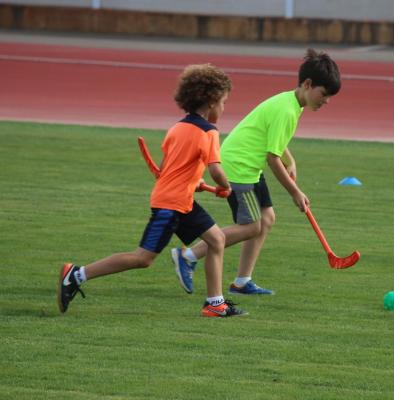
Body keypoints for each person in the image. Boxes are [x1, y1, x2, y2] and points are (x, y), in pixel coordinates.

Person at [57, 64, 246, 318]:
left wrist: (197, 184)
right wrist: (225, 186)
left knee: (217, 239)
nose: (224, 108)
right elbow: (215, 170)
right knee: (143, 258)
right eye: (223, 102)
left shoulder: (177, 128)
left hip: (180, 199)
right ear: (211, 102)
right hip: (171, 204)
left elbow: (173, 169)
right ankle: (76, 274)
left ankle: (215, 303)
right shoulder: (209, 132)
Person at [172, 49, 341, 295]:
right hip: (239, 168)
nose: (326, 101)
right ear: (307, 84)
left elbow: (275, 143)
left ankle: (242, 281)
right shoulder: (287, 109)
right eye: (323, 94)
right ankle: (188, 255)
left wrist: (290, 160)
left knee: (267, 219)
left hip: (249, 164)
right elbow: (272, 159)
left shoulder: (293, 103)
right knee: (252, 226)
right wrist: (295, 192)